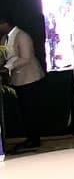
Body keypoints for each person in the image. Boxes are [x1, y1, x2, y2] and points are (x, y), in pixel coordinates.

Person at [0, 14, 47, 151]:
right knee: (24, 111)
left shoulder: (22, 36)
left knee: (30, 110)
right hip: (17, 79)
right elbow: (4, 56)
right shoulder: (4, 38)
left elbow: (26, 58)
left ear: (5, 23)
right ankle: (30, 138)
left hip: (30, 77)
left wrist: (6, 68)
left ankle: (34, 139)